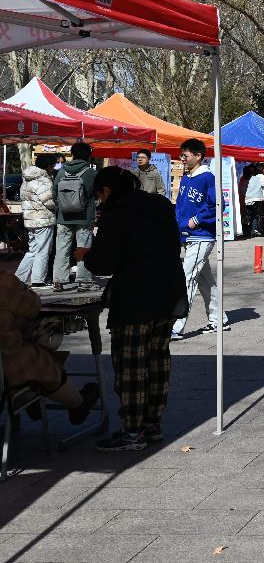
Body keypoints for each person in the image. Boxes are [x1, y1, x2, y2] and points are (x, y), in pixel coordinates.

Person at [81, 167, 187, 451]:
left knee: (131, 367)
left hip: (135, 298)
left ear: (107, 191)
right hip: (168, 293)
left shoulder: (116, 214)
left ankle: (132, 432)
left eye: (100, 196)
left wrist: (86, 256)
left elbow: (103, 262)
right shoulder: (160, 206)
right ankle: (152, 424)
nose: (100, 201)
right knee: (158, 360)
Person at [0, 270, 100, 424]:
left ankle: (32, 399)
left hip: (8, 369)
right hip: (11, 366)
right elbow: (33, 306)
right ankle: (77, 404)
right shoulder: (4, 283)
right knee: (39, 361)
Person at [172, 138, 228, 339]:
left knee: (186, 278)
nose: (182, 158)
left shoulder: (208, 178)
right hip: (188, 235)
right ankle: (219, 319)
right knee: (205, 281)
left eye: (185, 155)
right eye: (181, 155)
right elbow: (180, 206)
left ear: (198, 155)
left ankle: (176, 325)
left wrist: (197, 219)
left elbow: (218, 205)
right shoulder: (186, 178)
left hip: (202, 235)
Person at [52, 142, 97, 292]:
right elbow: (97, 194)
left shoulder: (61, 172)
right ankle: (84, 281)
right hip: (84, 217)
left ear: (73, 154)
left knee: (61, 249)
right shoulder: (91, 173)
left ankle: (59, 281)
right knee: (83, 249)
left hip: (63, 217)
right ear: (89, 155)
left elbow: (54, 193)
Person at [16, 154, 57, 286]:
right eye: (53, 165)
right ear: (48, 166)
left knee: (32, 250)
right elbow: (49, 202)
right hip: (43, 220)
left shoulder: (27, 179)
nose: (53, 168)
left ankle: (18, 278)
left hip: (30, 220)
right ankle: (38, 280)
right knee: (43, 250)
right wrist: (58, 203)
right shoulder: (43, 180)